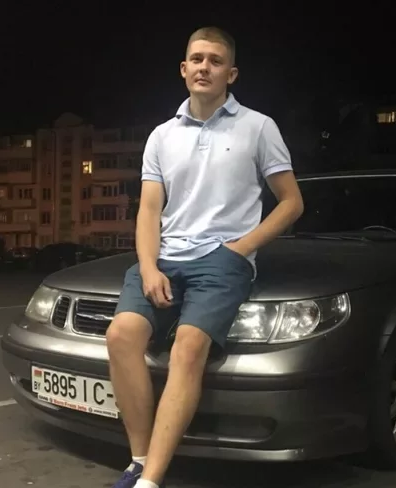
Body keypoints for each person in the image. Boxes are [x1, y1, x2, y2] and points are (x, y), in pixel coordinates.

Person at [105, 26, 304, 488]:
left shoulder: (258, 127)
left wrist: (240, 248)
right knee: (120, 335)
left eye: (215, 61)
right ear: (183, 68)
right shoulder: (161, 136)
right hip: (167, 256)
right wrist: (149, 266)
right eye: (197, 59)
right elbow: (149, 209)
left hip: (222, 260)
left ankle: (150, 481)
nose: (204, 67)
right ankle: (139, 459)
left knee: (188, 347)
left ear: (230, 74)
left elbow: (292, 202)